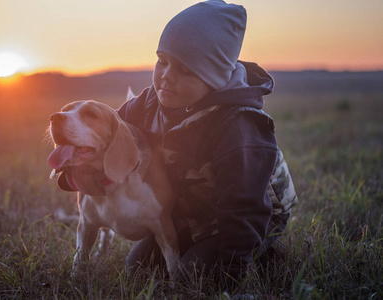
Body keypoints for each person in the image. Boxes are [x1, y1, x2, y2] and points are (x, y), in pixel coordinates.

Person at [116, 0, 298, 284]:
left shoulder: (238, 126)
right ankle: (199, 245)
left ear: (214, 78)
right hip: (193, 211)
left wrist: (234, 272)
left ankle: (264, 255)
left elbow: (246, 207)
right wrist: (79, 169)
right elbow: (109, 136)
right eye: (162, 61)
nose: (166, 76)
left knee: (193, 276)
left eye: (186, 70)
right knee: (137, 269)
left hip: (249, 217)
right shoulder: (149, 103)